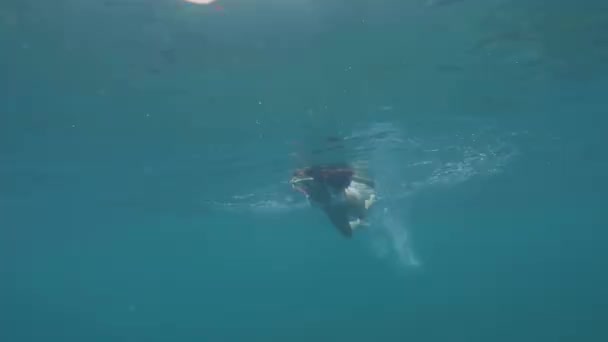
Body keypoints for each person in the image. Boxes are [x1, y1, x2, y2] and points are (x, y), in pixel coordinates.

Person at [290, 163, 377, 238]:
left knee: (360, 217)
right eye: (301, 185)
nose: (304, 188)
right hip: (334, 205)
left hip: (350, 200)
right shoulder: (315, 195)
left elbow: (347, 176)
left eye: (305, 184)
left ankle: (363, 215)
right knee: (347, 231)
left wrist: (367, 182)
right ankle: (361, 219)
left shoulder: (328, 182)